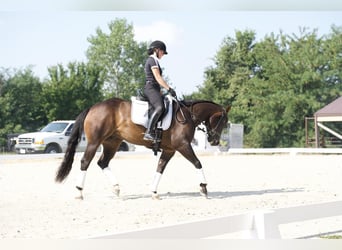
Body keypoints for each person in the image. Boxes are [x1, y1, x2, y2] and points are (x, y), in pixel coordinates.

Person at [143, 40, 177, 141]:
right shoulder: (152, 60)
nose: (163, 54)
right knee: (159, 107)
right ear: (156, 50)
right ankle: (148, 132)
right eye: (162, 51)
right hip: (150, 88)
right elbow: (158, 78)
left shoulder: (155, 61)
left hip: (155, 88)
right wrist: (169, 88)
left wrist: (161, 91)